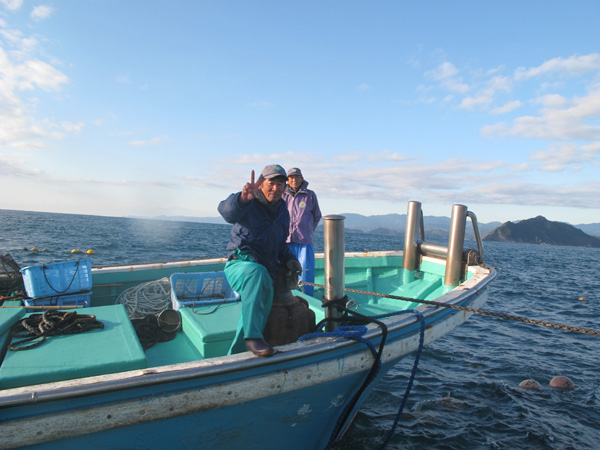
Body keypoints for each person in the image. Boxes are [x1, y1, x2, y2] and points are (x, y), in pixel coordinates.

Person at [218, 164, 302, 357]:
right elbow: (226, 212)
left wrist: (290, 259)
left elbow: (280, 243)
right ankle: (253, 338)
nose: (276, 188)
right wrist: (241, 199)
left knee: (253, 308)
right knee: (257, 273)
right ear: (261, 184)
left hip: (265, 273)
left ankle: (236, 356)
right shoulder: (248, 202)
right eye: (271, 183)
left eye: (280, 183)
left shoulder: (283, 210)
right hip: (240, 264)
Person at [283, 167, 322, 296]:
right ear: (287, 180)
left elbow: (317, 216)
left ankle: (306, 298)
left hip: (304, 241)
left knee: (305, 273)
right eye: (291, 177)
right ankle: (286, 297)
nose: (294, 180)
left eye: (297, 177)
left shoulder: (310, 195)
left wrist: (308, 230)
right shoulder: (282, 195)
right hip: (285, 241)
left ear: (302, 178)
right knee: (285, 271)